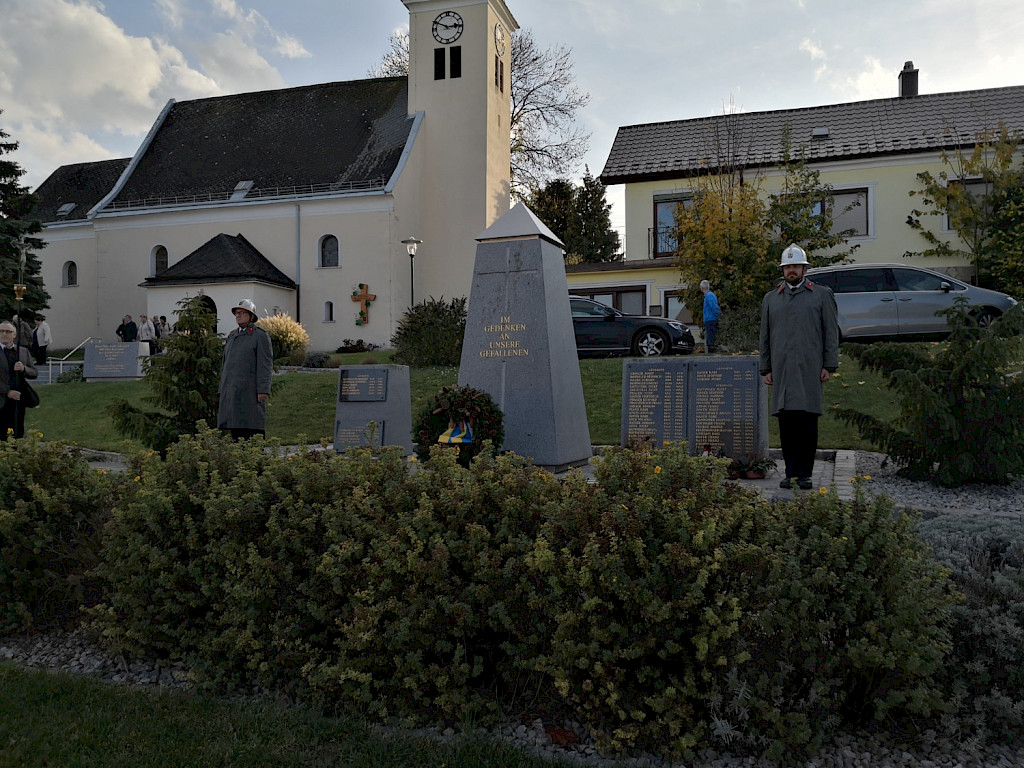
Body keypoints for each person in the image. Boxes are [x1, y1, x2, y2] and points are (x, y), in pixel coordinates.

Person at [759, 244, 839, 490]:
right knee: (786, 424)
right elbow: (765, 336)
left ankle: (805, 474)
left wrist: (829, 364)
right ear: (783, 270)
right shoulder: (771, 299)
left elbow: (831, 333)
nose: (792, 271)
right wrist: (766, 368)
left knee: (807, 422)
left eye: (796, 266)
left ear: (805, 269)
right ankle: (790, 473)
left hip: (809, 368)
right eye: (788, 267)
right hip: (782, 371)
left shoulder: (822, 295)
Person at [218, 299, 273, 440]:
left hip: (250, 392)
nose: (238, 315)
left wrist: (263, 390)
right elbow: (226, 365)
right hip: (232, 392)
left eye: (242, 312)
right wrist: (223, 389)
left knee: (252, 431)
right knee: (236, 432)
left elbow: (265, 365)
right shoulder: (232, 336)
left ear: (251, 316)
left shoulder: (259, 335)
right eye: (236, 313)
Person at [0, 320, 38, 441]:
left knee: (17, 432)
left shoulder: (23, 351)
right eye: (1, 331)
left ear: (14, 335)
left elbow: (34, 373)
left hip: (18, 400)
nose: (4, 334)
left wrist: (24, 369)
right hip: (2, 399)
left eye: (8, 331)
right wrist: (7, 392)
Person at [700, 279, 721, 353]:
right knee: (710, 339)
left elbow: (714, 307)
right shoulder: (710, 295)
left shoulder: (709, 296)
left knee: (711, 340)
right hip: (711, 320)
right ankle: (711, 352)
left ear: (702, 288)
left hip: (711, 320)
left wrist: (718, 316)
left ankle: (712, 353)